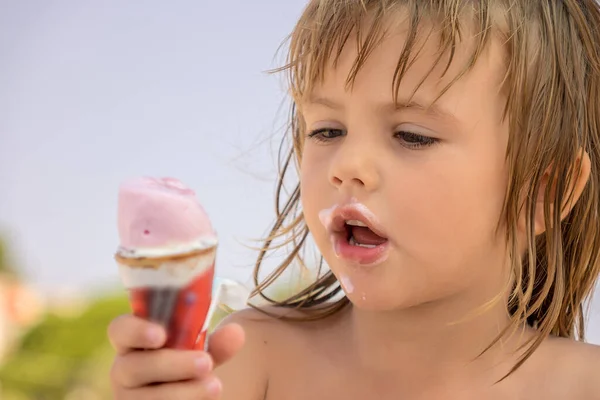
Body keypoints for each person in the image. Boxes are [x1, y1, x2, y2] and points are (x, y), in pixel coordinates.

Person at [107, 0, 600, 398]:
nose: (347, 166)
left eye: (411, 135)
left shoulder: (583, 385)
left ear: (542, 191)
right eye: (327, 129)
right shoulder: (249, 362)